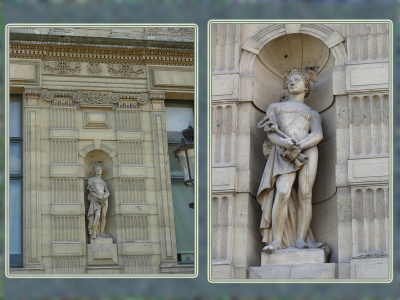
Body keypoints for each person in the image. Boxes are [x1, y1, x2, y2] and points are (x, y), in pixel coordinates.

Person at [257, 69, 328, 254]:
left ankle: (300, 239)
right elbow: (271, 133)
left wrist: (300, 145)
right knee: (282, 192)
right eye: (289, 80)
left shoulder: (312, 113)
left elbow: (318, 134)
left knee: (305, 193)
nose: (292, 82)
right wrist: (288, 144)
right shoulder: (275, 107)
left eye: (297, 79)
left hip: (308, 150)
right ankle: (277, 240)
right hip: (283, 151)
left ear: (306, 86)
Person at [87, 165, 110, 239]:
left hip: (104, 199)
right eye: (97, 169)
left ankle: (102, 232)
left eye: (99, 169)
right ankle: (93, 233)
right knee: (97, 216)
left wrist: (104, 197)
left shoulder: (103, 182)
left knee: (103, 216)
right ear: (94, 170)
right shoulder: (91, 179)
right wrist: (99, 197)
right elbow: (91, 191)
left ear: (102, 170)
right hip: (96, 198)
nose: (98, 170)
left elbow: (107, 191)